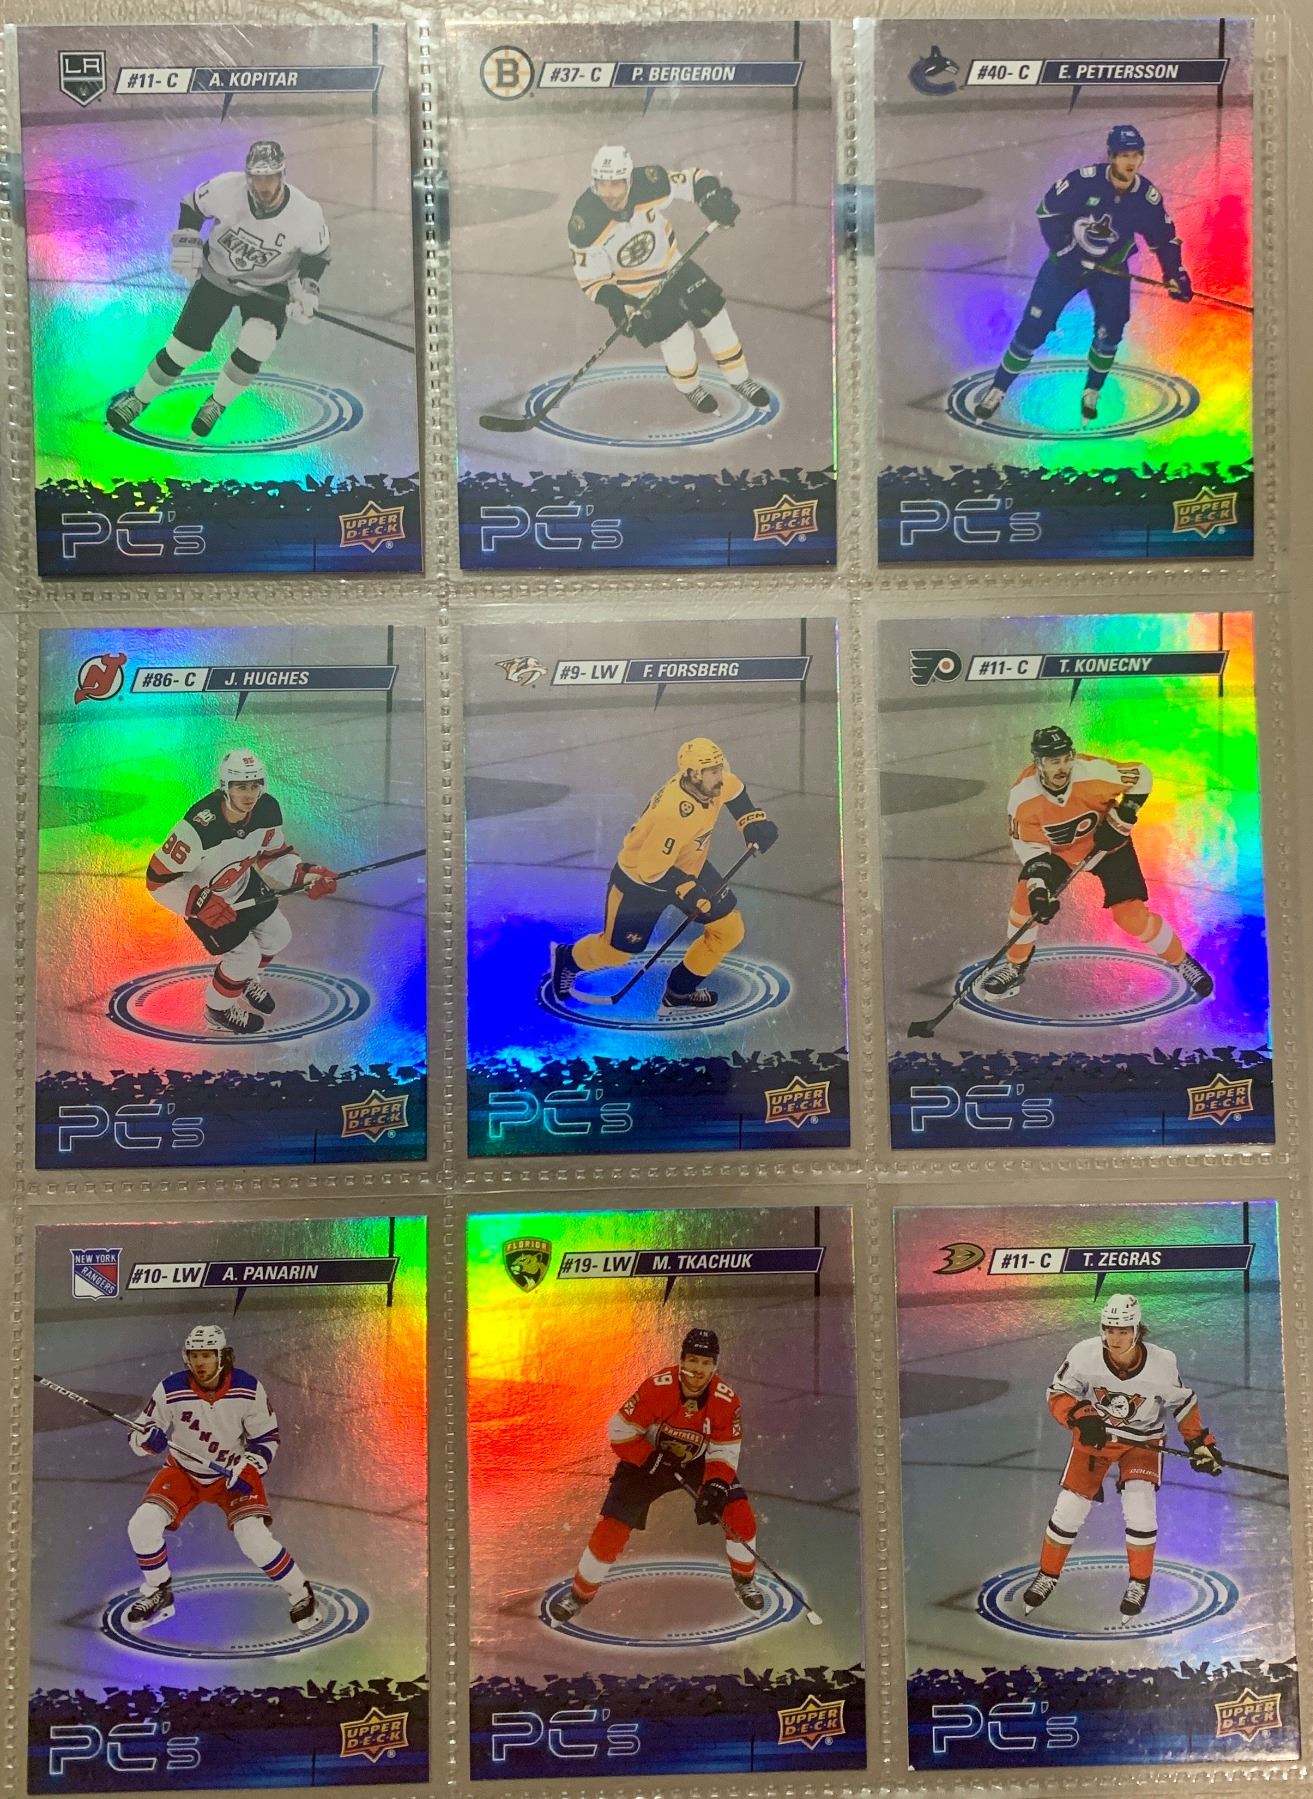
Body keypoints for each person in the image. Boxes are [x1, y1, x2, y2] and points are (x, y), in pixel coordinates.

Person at [107, 140, 331, 438]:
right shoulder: (226, 188)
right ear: (248, 176)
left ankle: (217, 403)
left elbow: (318, 255)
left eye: (271, 178)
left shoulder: (306, 213)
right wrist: (188, 240)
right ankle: (139, 398)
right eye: (258, 178)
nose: (264, 187)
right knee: (183, 350)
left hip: (270, 286)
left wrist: (307, 290)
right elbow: (193, 205)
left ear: (282, 175)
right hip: (218, 277)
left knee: (258, 342)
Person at [1023, 1294, 1223, 1619]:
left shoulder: (1162, 1363)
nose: (1115, 1338)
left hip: (1142, 1443)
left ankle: (1139, 1582)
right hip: (1097, 1440)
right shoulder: (1084, 1354)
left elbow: (1183, 1403)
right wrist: (1079, 1414)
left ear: (1137, 1330)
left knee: (1140, 1508)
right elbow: (1058, 1393)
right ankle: (1047, 1574)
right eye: (1110, 1329)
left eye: (1123, 1330)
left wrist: (1200, 1443)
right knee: (1068, 1509)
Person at [975, 125, 1192, 424]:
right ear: (1111, 156)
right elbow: (1047, 212)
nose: (1130, 162)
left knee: (1110, 332)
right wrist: (1066, 253)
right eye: (1124, 155)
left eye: (1136, 155)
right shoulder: (1083, 182)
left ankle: (1092, 391)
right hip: (1065, 266)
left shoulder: (1145, 197)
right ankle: (998, 388)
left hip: (1111, 269)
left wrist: (1175, 273)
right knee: (1033, 329)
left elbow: (1164, 239)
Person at [547, 1326, 764, 1621]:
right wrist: (650, 1459)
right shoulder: (657, 1388)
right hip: (647, 1459)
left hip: (697, 1463)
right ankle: (579, 1595)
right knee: (611, 1529)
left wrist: (715, 1486)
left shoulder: (726, 1401)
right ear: (681, 1360)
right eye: (692, 1360)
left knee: (740, 1516)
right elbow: (619, 1431)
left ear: (715, 1366)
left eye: (705, 1362)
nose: (697, 1369)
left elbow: (725, 1450)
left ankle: (744, 1581)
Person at [549, 737, 778, 1011]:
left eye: (720, 768)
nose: (721, 776)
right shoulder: (672, 814)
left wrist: (751, 821)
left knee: (727, 931)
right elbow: (651, 871)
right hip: (639, 885)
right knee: (616, 953)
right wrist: (688, 890)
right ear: (694, 774)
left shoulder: (712, 784)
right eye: (714, 771)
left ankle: (679, 992)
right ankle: (567, 958)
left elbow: (735, 792)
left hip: (688, 867)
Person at [124, 1324, 321, 1631]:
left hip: (233, 1473)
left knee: (253, 1538)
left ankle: (301, 1593)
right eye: (194, 1355)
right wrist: (148, 1439)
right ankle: (158, 1591)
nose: (200, 1362)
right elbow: (137, 1437)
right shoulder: (170, 1389)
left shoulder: (248, 1388)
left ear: (223, 1356)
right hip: (184, 1471)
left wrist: (250, 1466)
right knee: (142, 1524)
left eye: (207, 1355)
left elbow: (267, 1438)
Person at [145, 747, 339, 1035]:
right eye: (240, 787)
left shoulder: (267, 809)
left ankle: (244, 980)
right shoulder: (198, 827)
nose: (249, 794)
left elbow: (273, 856)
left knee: (278, 935)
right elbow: (157, 880)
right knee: (243, 956)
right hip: (207, 901)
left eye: (254, 785)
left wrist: (304, 874)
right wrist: (199, 903)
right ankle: (218, 1011)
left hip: (243, 885)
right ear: (225, 787)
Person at [569, 145, 770, 415]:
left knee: (716, 320)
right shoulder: (585, 222)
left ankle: (740, 379)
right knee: (677, 338)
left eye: (615, 184)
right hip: (637, 289)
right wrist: (617, 304)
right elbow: (591, 279)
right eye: (601, 184)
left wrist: (711, 198)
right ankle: (690, 388)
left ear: (629, 180)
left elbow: (694, 179)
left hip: (675, 266)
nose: (608, 193)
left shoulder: (649, 183)